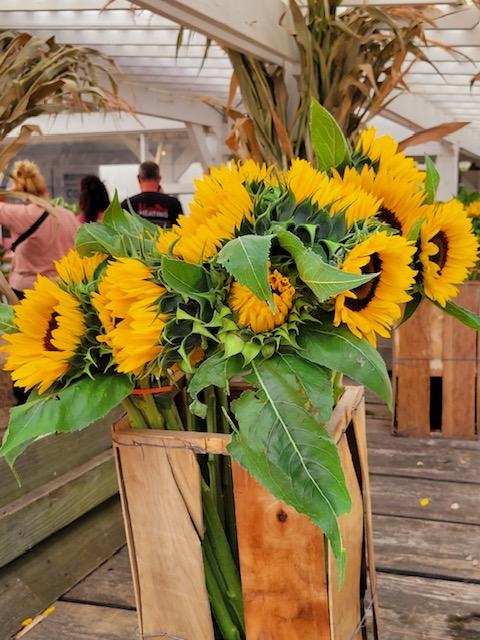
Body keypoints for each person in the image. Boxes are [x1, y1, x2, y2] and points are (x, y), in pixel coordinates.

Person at [0, 160, 79, 299]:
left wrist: (10, 192)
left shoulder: (22, 214)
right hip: (64, 288)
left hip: (28, 290)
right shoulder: (68, 215)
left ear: (17, 190)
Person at [121, 161, 182, 227]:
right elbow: (181, 230)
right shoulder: (174, 204)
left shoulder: (127, 205)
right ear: (159, 179)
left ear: (139, 179)